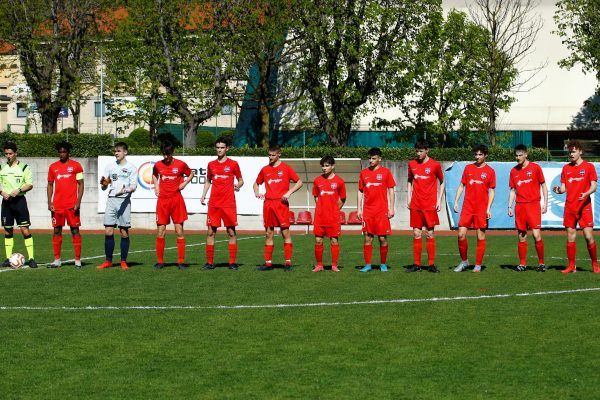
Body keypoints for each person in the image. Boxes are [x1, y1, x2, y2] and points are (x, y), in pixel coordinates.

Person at [253, 144, 303, 271]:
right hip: (268, 204)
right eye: (269, 155)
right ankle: (268, 264)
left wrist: (289, 192)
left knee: (285, 232)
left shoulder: (286, 168)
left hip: (281, 204)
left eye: (273, 155)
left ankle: (288, 263)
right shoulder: (265, 169)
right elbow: (256, 183)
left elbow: (299, 182)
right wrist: (257, 192)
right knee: (268, 233)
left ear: (279, 154)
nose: (270, 157)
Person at [552, 139, 598, 273]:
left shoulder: (589, 167)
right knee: (570, 236)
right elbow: (563, 188)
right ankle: (572, 266)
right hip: (570, 207)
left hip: (584, 206)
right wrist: (558, 190)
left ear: (580, 151)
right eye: (570, 152)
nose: (571, 154)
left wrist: (586, 193)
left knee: (588, 236)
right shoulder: (566, 168)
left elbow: (594, 186)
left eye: (573, 152)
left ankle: (595, 264)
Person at [200, 137, 244, 271]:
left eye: (222, 147)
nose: (219, 150)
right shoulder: (211, 164)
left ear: (227, 149)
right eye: (218, 147)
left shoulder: (233, 164)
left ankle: (232, 263)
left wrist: (238, 185)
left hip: (228, 203)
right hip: (214, 203)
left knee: (231, 232)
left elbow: (241, 180)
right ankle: (209, 263)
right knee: (210, 232)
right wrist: (203, 195)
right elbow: (208, 181)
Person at [152, 141, 195, 270]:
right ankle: (160, 262)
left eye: (168, 154)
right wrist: (156, 185)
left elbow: (191, 173)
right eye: (164, 154)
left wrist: (185, 183)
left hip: (176, 200)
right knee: (161, 231)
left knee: (179, 231)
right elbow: (154, 175)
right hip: (163, 201)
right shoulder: (158, 165)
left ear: (172, 152)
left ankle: (181, 262)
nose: (166, 157)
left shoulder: (180, 164)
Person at [453, 144, 496, 273]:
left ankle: (478, 264)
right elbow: (461, 185)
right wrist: (456, 201)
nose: (477, 157)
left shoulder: (490, 171)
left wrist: (488, 208)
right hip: (467, 207)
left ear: (485, 155)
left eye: (480, 154)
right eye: (476, 154)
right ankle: (464, 261)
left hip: (481, 209)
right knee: (461, 234)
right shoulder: (468, 168)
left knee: (480, 236)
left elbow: (492, 191)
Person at [96, 142, 138, 270]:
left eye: (119, 151)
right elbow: (104, 186)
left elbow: (133, 186)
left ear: (125, 152)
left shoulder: (132, 168)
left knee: (124, 232)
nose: (116, 153)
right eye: (115, 151)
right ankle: (108, 261)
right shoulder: (110, 167)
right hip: (111, 200)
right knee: (108, 231)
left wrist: (124, 191)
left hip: (124, 202)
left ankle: (123, 261)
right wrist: (103, 184)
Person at [405, 140, 445, 273]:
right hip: (416, 204)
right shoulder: (411, 164)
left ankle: (431, 264)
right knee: (416, 233)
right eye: (416, 151)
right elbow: (410, 180)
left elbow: (442, 182)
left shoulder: (435, 165)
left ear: (427, 150)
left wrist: (439, 200)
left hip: (429, 204)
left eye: (421, 151)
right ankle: (416, 265)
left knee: (430, 233)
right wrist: (408, 197)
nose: (418, 153)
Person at [508, 144, 548, 272]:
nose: (518, 158)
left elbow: (543, 185)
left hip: (533, 205)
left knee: (536, 235)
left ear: (526, 154)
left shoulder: (535, 168)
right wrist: (509, 206)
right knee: (521, 235)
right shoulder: (514, 171)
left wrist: (545, 203)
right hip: (520, 206)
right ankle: (522, 264)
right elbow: (513, 190)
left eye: (520, 155)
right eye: (516, 155)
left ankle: (541, 263)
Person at [357, 147, 396, 272]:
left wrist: (391, 208)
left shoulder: (386, 172)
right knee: (368, 238)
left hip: (381, 211)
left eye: (373, 158)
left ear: (380, 159)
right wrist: (359, 209)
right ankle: (368, 265)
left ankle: (383, 264)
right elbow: (360, 191)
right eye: (369, 158)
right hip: (368, 211)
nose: (370, 161)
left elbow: (391, 190)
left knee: (382, 238)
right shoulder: (363, 173)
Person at [47, 141, 84, 268]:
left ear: (68, 153)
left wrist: (78, 201)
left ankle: (77, 260)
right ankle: (57, 260)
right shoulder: (53, 167)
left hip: (72, 205)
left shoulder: (76, 166)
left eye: (64, 152)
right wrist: (49, 201)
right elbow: (50, 184)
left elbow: (81, 184)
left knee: (75, 230)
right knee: (56, 231)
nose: (62, 154)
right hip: (57, 206)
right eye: (60, 152)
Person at [0, 142, 36, 268]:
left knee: (24, 230)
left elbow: (30, 184)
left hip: (19, 202)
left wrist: (19, 190)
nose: (8, 156)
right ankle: (8, 258)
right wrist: (1, 191)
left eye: (10, 153)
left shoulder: (24, 167)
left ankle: (31, 258)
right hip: (6, 203)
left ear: (16, 153)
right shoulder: (2, 168)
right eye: (6, 154)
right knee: (8, 230)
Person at [312, 156, 346, 272]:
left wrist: (335, 210)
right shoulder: (317, 180)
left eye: (327, 166)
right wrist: (321, 208)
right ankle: (319, 265)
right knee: (318, 240)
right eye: (323, 166)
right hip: (320, 217)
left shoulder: (339, 181)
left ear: (333, 166)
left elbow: (343, 198)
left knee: (334, 240)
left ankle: (334, 265)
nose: (324, 168)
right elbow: (316, 196)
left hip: (333, 217)